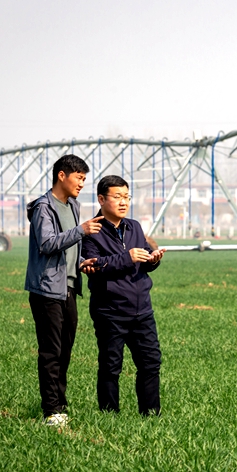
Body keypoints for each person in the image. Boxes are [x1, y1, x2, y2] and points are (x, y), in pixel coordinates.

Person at [25, 154, 103, 426]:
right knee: (51, 350)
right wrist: (82, 231)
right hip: (47, 289)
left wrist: (82, 262)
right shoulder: (42, 208)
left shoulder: (73, 206)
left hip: (69, 286)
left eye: (84, 179)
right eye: (79, 178)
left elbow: (68, 247)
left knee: (65, 349)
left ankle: (60, 402)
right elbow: (47, 243)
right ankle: (51, 410)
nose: (82, 184)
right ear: (62, 175)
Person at [81, 175, 165, 416]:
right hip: (110, 311)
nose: (123, 202)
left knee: (150, 364)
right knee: (110, 366)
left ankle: (150, 415)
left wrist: (153, 259)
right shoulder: (90, 231)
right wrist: (127, 257)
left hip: (142, 310)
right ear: (101, 199)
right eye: (117, 197)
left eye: (127, 197)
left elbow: (144, 259)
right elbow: (94, 265)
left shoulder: (134, 226)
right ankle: (109, 416)